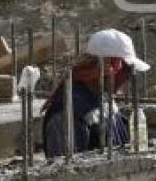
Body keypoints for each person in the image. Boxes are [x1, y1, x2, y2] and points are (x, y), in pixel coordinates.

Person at [42, 28, 150, 158]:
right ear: (110, 67)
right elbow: (65, 170)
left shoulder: (104, 99)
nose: (128, 78)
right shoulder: (67, 111)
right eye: (127, 70)